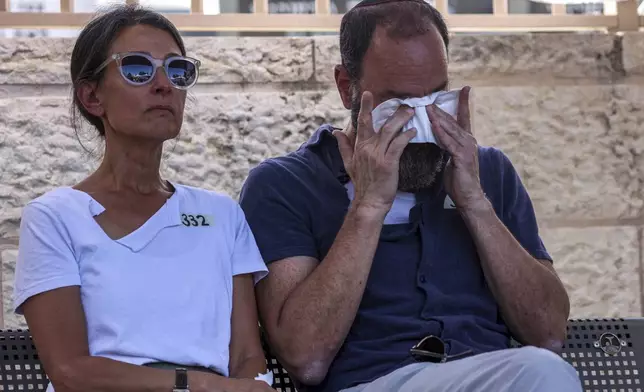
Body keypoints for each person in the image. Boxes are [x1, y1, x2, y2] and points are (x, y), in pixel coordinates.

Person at [238, 0, 582, 391]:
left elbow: (550, 333)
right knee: (539, 373)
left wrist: (475, 204)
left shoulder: (488, 172)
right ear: (347, 87)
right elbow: (306, 357)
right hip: (369, 383)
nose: (421, 125)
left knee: (541, 368)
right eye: (400, 105)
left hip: (491, 375)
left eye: (436, 99)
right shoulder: (285, 185)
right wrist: (368, 207)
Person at [13, 5, 275, 392]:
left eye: (177, 69)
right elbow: (70, 372)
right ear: (91, 96)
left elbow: (246, 357)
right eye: (137, 68)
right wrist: (199, 386)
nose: (163, 84)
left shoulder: (220, 215)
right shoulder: (54, 218)